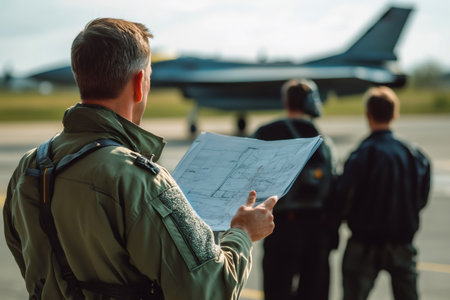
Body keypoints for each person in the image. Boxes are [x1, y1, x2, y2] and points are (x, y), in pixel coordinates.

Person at [3, 18, 278, 300]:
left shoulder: (30, 167)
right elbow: (210, 290)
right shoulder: (139, 180)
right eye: (148, 75)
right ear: (138, 84)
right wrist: (243, 232)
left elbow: (29, 262)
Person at [336, 86, 431, 300]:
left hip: (364, 244)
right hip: (402, 243)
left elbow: (343, 195)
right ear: (395, 114)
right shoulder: (415, 154)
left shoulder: (362, 154)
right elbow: (421, 198)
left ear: (368, 115)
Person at [252, 79, 338, 300]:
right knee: (315, 291)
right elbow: (334, 187)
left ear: (286, 101)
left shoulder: (266, 133)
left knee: (276, 290)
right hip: (316, 228)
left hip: (279, 227)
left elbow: (249, 177)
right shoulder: (322, 140)